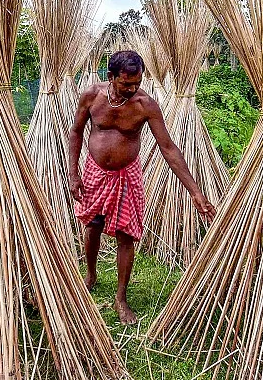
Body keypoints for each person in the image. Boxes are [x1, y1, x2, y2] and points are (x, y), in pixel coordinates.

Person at [68, 50, 216, 324]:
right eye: (125, 84)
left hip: (127, 177)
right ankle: (90, 274)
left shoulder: (145, 105)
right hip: (94, 173)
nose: (132, 89)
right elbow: (76, 132)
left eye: (136, 83)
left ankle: (120, 298)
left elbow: (168, 148)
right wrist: (74, 173)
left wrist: (195, 191)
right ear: (111, 77)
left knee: (126, 235)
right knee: (93, 225)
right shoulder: (91, 96)